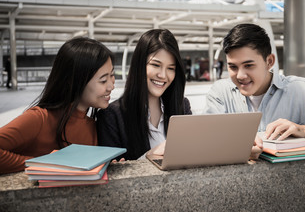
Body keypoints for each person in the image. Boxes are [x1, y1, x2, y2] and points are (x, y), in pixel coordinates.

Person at [204, 23, 305, 158]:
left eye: (249, 65)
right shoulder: (220, 93)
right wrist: (236, 148)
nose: (240, 75)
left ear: (269, 61)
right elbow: (204, 139)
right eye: (233, 67)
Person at [0, 37, 115, 174]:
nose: (111, 86)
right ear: (74, 81)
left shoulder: (92, 125)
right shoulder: (40, 119)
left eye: (112, 75)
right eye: (103, 81)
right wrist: (46, 163)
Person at [97, 29, 192, 160]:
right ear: (139, 65)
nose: (163, 75)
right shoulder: (112, 116)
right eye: (155, 65)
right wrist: (146, 159)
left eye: (171, 68)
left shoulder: (182, 106)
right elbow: (112, 173)